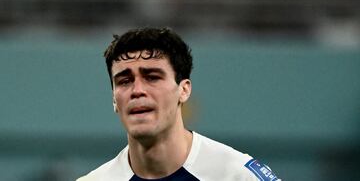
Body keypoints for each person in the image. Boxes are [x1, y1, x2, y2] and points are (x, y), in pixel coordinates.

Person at [77, 27, 280, 181]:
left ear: (184, 90)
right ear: (114, 99)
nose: (137, 90)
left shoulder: (237, 175)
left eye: (152, 77)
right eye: (124, 81)